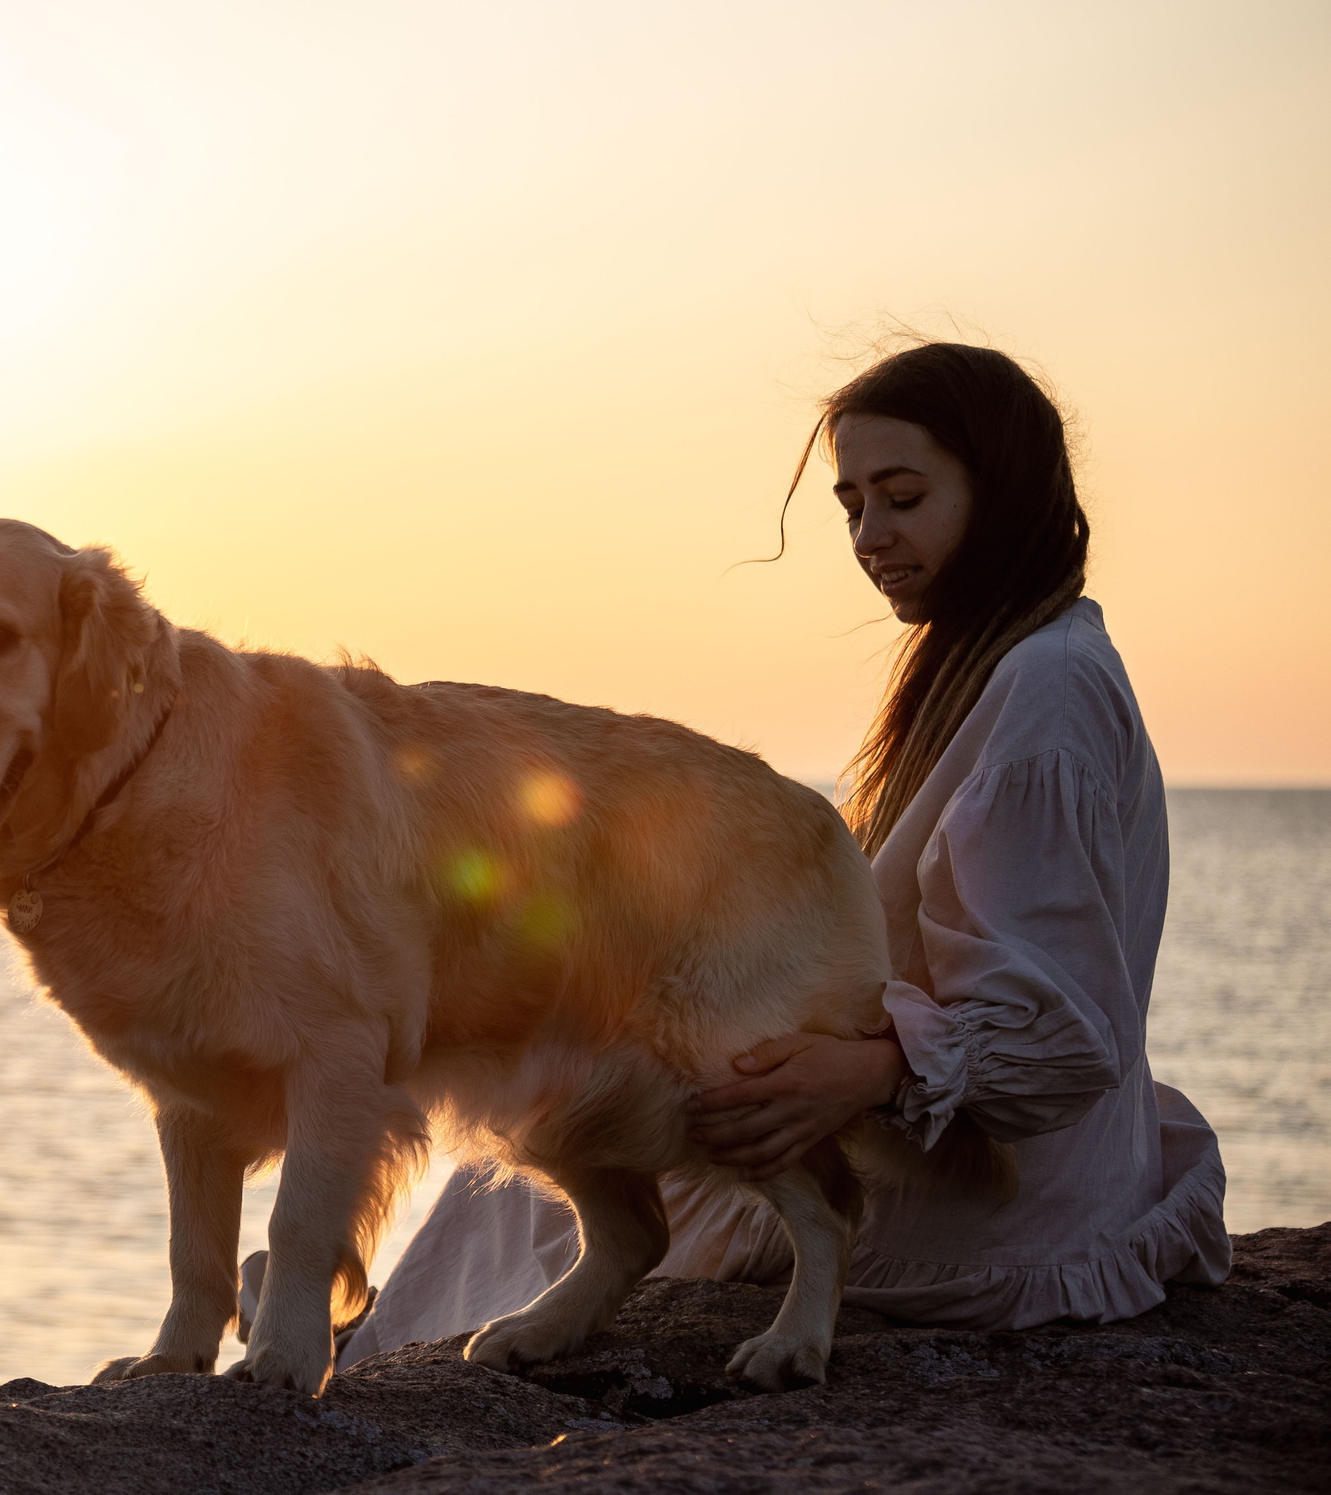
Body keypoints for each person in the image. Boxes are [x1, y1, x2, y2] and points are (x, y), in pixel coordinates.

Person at [332, 343, 1230, 1366]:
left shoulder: (1048, 690)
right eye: (851, 505)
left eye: (902, 498)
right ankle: (362, 1366)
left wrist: (864, 1070)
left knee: (539, 1163)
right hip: (973, 1152)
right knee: (537, 1137)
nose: (869, 537)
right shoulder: (1001, 659)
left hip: (988, 1220)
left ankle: (353, 1401)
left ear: (1006, 490)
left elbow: (1065, 1037)